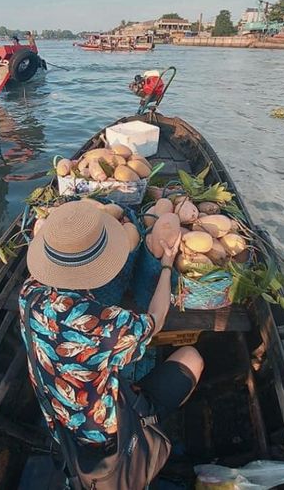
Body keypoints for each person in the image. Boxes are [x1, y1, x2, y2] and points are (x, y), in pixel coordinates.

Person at [19, 201, 204, 481]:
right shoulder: (105, 324)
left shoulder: (29, 293)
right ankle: (152, 433)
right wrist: (166, 265)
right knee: (192, 357)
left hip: (58, 419)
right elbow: (157, 316)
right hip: (107, 432)